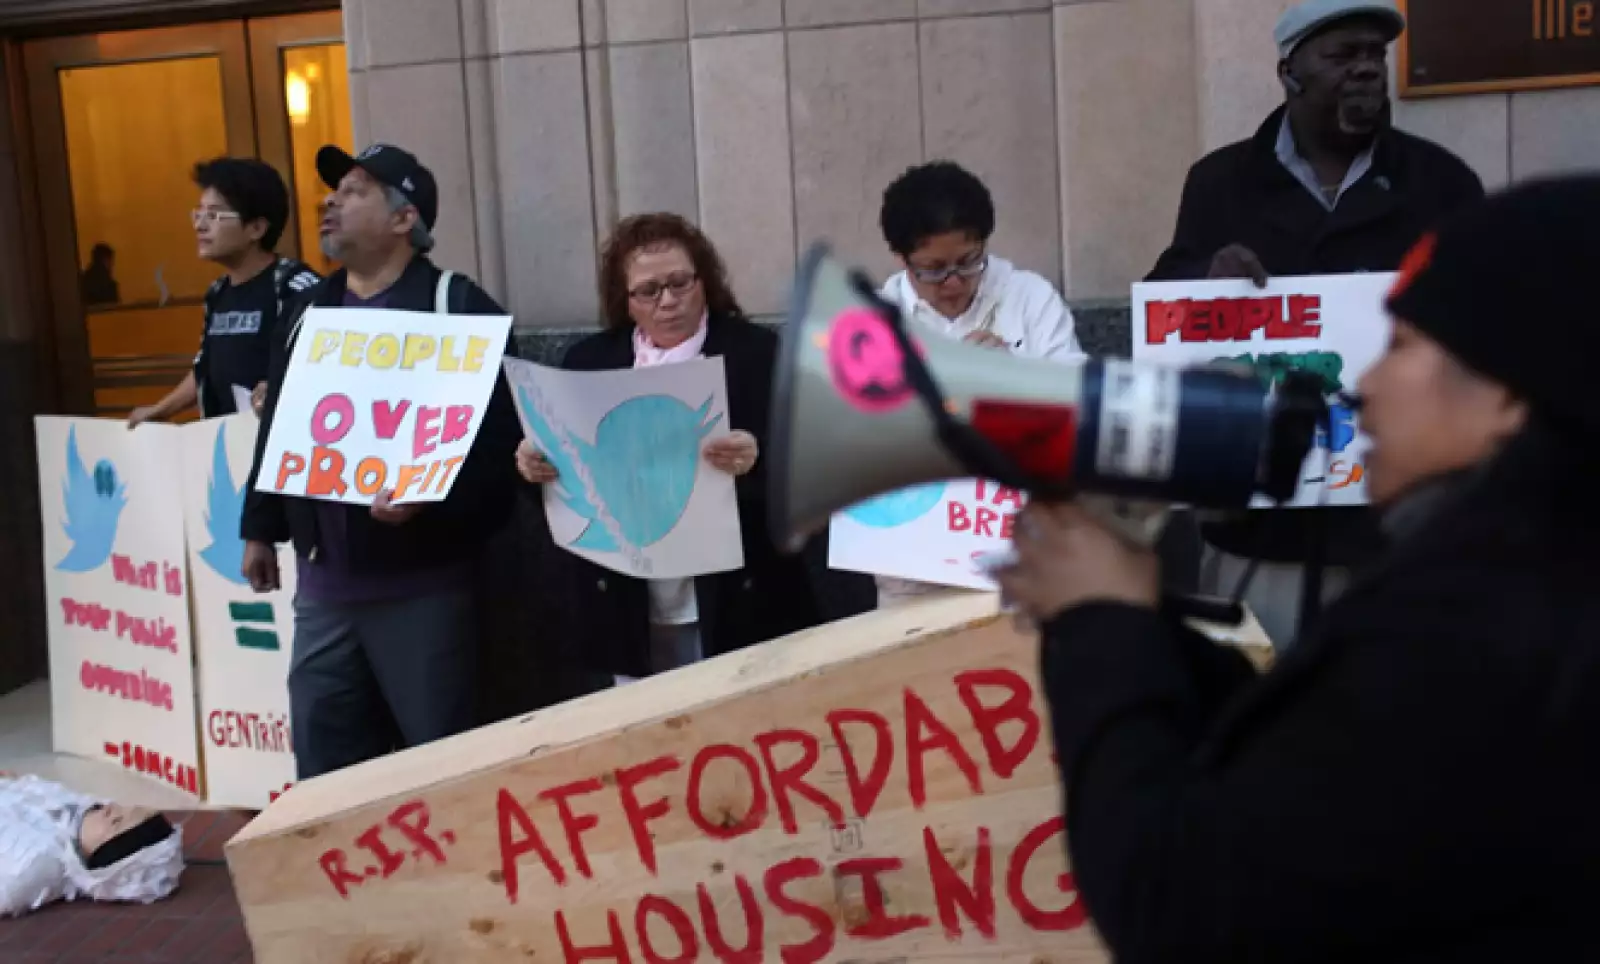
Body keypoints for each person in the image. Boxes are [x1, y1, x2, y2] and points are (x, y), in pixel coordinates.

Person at [997, 176, 1600, 960]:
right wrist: (1144, 621)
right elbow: (1312, 784)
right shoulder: (1518, 591)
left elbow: (1178, 906)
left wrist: (1098, 626)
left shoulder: (1469, 633)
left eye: (1406, 347)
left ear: (1508, 396)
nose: (1367, 384)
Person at [1146, 0, 1485, 646]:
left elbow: (1489, 324)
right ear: (1290, 72)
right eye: (1341, 56)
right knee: (1258, 726)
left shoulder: (1440, 181)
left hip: (1401, 536)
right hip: (1261, 539)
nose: (1364, 71)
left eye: (1373, 56)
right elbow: (1165, 318)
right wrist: (1203, 286)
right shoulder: (1220, 184)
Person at [240, 143, 521, 779]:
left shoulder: (459, 307)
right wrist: (260, 524)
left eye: (356, 189)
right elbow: (283, 422)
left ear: (404, 218)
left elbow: (502, 449)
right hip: (323, 593)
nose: (330, 201)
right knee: (326, 767)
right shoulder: (308, 310)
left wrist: (434, 499)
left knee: (440, 770)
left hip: (422, 588)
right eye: (333, 190)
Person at [515, 213, 831, 683]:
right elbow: (565, 493)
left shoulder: (755, 353)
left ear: (704, 282)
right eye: (648, 290)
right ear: (625, 301)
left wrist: (758, 456)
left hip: (739, 594)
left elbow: (812, 465)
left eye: (680, 283)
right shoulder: (590, 362)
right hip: (628, 597)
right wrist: (536, 466)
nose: (668, 302)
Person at [871, 160, 1085, 609]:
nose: (952, 282)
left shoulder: (1029, 297)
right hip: (913, 556)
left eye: (968, 263)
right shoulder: (874, 318)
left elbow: (1080, 403)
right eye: (932, 269)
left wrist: (1011, 375)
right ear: (900, 258)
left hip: (1019, 543)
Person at [128, 158, 320, 428]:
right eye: (199, 213)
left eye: (215, 215)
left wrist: (280, 385)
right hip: (226, 448)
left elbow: (323, 367)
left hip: (280, 449)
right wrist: (160, 409)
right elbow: (204, 368)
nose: (200, 226)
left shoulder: (295, 287)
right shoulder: (218, 293)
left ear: (256, 228)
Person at [0, 772, 184, 918]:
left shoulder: (37, 868)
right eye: (125, 809)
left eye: (116, 823)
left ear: (106, 864)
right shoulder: (83, 813)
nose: (112, 808)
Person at [80, 243, 119, 308]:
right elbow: (114, 309)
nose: (112, 265)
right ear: (106, 260)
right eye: (111, 261)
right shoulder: (109, 285)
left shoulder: (82, 280)